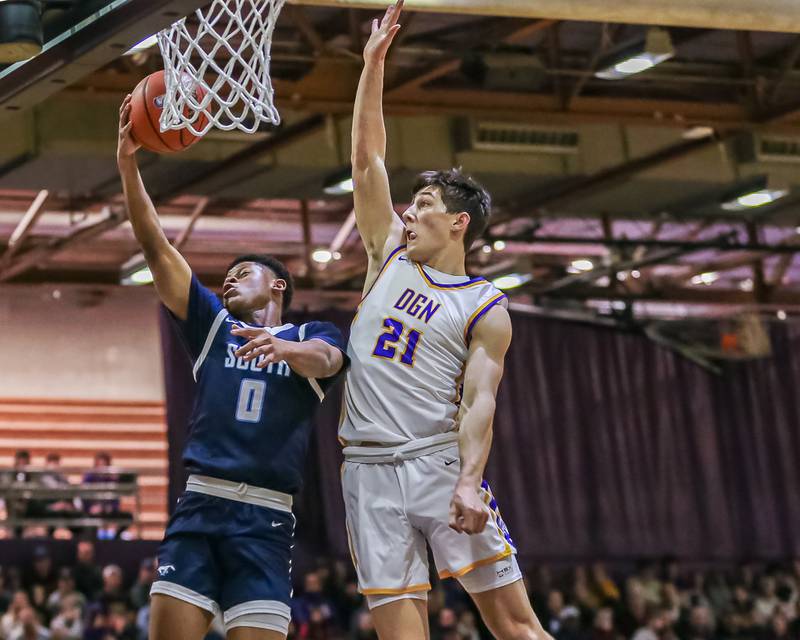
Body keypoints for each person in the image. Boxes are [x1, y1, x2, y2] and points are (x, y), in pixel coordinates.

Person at [315, 2, 551, 638]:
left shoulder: (484, 304)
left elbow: (480, 403)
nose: (408, 213)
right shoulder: (385, 253)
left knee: (516, 627)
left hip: (437, 464)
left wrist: (471, 483)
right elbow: (367, 159)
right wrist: (371, 64)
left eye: (422, 204)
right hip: (365, 469)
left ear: (458, 222)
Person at [116, 93, 348, 640]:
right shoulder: (212, 325)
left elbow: (332, 360)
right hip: (200, 506)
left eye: (243, 273)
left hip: (266, 520)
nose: (229, 280)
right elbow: (156, 249)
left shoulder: (310, 336)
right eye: (227, 276)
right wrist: (128, 163)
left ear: (278, 286)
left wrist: (284, 350)